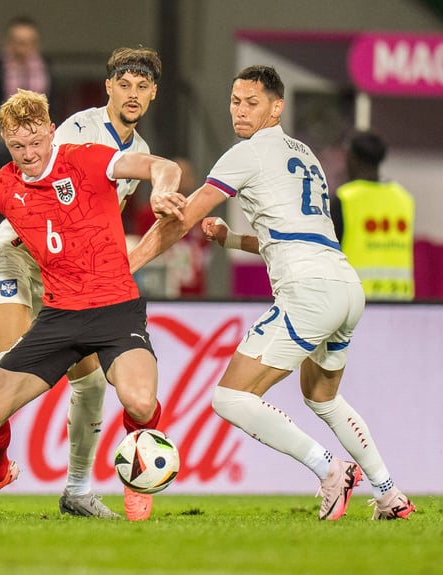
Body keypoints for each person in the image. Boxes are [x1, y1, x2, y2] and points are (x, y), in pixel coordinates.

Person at [129, 65, 416, 521]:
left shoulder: (246, 153)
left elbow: (181, 219)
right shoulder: (306, 156)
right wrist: (229, 240)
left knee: (229, 397)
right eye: (235, 101)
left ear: (276, 107)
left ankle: (329, 470)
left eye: (252, 103)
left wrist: (128, 267)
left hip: (308, 291)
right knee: (323, 398)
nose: (240, 111)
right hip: (344, 285)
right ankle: (390, 494)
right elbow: (293, 236)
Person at [0, 89, 183, 522]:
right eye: (18, 146)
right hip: (58, 318)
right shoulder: (5, 183)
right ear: (6, 142)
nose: (30, 154)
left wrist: (164, 190)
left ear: (52, 132)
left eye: (36, 143)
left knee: (141, 403)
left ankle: (136, 480)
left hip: (115, 310)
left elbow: (158, 165)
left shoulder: (89, 158)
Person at [0, 46, 161, 521]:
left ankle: (77, 490)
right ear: (108, 87)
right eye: (125, 85)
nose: (133, 95)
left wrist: (123, 261)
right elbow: (40, 188)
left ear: (153, 93)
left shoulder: (138, 152)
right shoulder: (76, 130)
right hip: (16, 257)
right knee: (5, 366)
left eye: (142, 87)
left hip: (72, 281)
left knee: (91, 383)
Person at [329, 131, 415, 301]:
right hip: (400, 299)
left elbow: (327, 253)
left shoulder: (345, 198)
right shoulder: (404, 198)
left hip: (355, 300)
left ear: (352, 158)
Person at [0, 16, 51, 178]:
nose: (23, 48)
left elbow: (53, 104)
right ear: (8, 41)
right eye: (19, 42)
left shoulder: (45, 67)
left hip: (37, 132)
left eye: (29, 43)